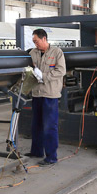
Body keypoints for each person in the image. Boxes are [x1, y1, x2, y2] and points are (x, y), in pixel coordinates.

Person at [26, 28, 66, 165]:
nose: (35, 44)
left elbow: (61, 71)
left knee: (49, 126)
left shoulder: (57, 52)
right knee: (36, 125)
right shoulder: (32, 53)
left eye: (36, 41)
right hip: (37, 94)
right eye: (33, 42)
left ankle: (51, 157)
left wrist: (43, 76)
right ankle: (36, 151)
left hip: (50, 94)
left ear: (44, 38)